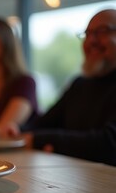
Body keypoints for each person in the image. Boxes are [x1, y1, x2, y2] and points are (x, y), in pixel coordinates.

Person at [19, 9, 116, 166]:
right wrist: (13, 131)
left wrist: (40, 140)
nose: (91, 41)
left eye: (102, 32)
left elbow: (109, 144)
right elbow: (42, 123)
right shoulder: (80, 84)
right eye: (87, 34)